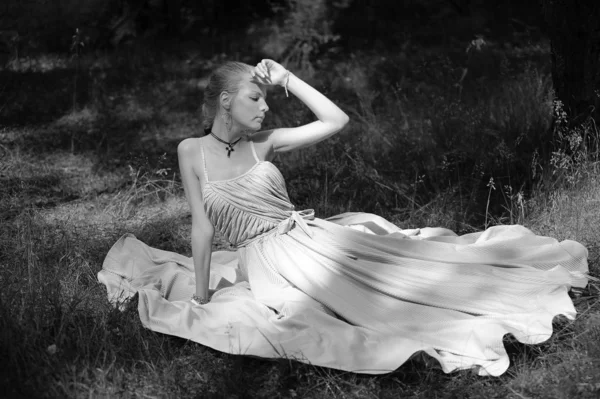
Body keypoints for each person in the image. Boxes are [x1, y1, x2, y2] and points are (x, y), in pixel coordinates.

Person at [100, 59, 591, 377]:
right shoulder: (192, 152)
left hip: (311, 235)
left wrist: (288, 79)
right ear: (225, 101)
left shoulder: (264, 141)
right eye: (256, 97)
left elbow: (336, 121)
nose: (265, 106)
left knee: (400, 269)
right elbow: (202, 228)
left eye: (266, 97)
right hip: (267, 262)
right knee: (348, 306)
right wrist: (203, 294)